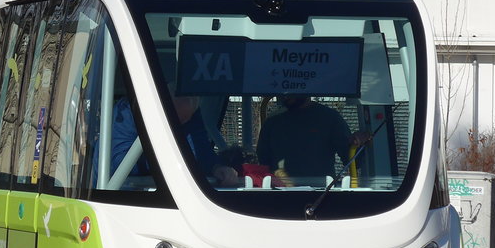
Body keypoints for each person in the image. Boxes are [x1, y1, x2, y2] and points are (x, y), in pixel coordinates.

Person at [111, 92, 239, 187]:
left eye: (185, 120)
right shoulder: (125, 113)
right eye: (175, 119)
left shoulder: (189, 113)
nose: (178, 125)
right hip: (125, 194)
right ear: (159, 109)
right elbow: (118, 163)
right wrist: (172, 161)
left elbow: (200, 151)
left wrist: (216, 168)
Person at [256, 95, 370, 183]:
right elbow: (263, 161)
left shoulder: (330, 119)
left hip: (321, 194)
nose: (287, 94)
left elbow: (352, 161)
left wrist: (358, 144)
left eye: (294, 88)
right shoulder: (272, 122)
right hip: (279, 194)